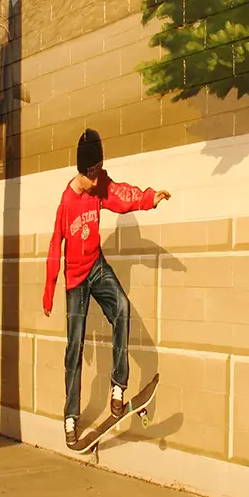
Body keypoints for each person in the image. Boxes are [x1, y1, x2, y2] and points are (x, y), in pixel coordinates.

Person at [43, 129, 171, 447]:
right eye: (96, 170)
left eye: (102, 168)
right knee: (74, 348)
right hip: (75, 279)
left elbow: (120, 194)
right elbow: (54, 244)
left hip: (96, 265)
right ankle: (71, 416)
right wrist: (49, 288)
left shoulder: (101, 185)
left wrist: (148, 199)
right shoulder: (67, 201)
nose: (101, 175)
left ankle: (118, 386)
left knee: (122, 310)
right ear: (86, 169)